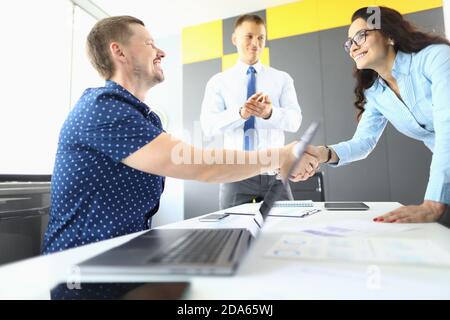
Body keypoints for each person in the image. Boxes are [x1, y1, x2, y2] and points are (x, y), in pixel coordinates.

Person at [42, 16, 318, 254]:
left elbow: (191, 158)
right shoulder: (103, 109)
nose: (161, 52)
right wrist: (279, 155)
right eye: (150, 43)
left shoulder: (139, 116)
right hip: (85, 265)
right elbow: (199, 163)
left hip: (124, 255)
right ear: (120, 52)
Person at [306, 6, 450, 223]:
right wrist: (322, 153)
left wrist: (432, 204)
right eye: (349, 43)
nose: (353, 47)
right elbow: (364, 142)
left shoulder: (436, 58)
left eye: (360, 36)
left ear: (389, 34)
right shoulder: (375, 92)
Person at [200, 14, 302, 210]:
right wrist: (240, 113)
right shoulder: (218, 82)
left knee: (287, 230)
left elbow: (295, 121)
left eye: (261, 38)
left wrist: (270, 113)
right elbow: (208, 126)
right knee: (232, 232)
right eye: (249, 36)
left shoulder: (282, 79)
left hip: (274, 172)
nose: (255, 43)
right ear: (234, 39)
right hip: (235, 173)